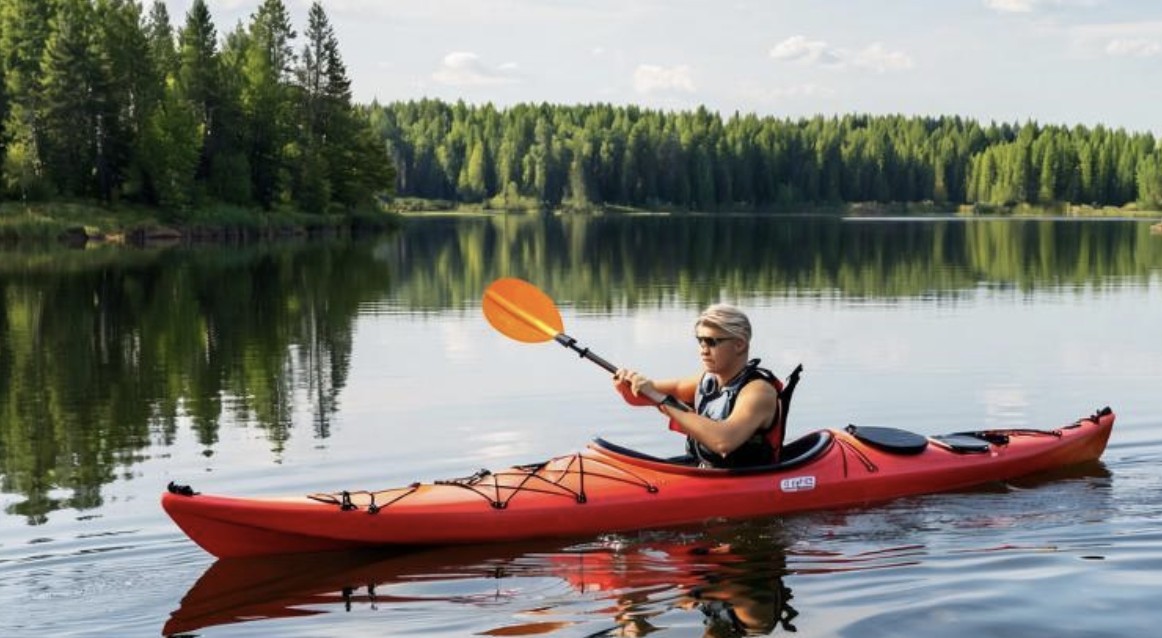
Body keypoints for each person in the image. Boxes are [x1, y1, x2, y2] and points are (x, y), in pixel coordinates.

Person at [612, 304, 783, 468]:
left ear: (739, 344)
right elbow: (644, 396)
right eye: (700, 341)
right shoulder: (706, 382)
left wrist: (662, 401)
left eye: (711, 342)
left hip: (745, 483)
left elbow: (723, 441)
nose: (703, 349)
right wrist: (628, 385)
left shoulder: (759, 392)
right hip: (707, 473)